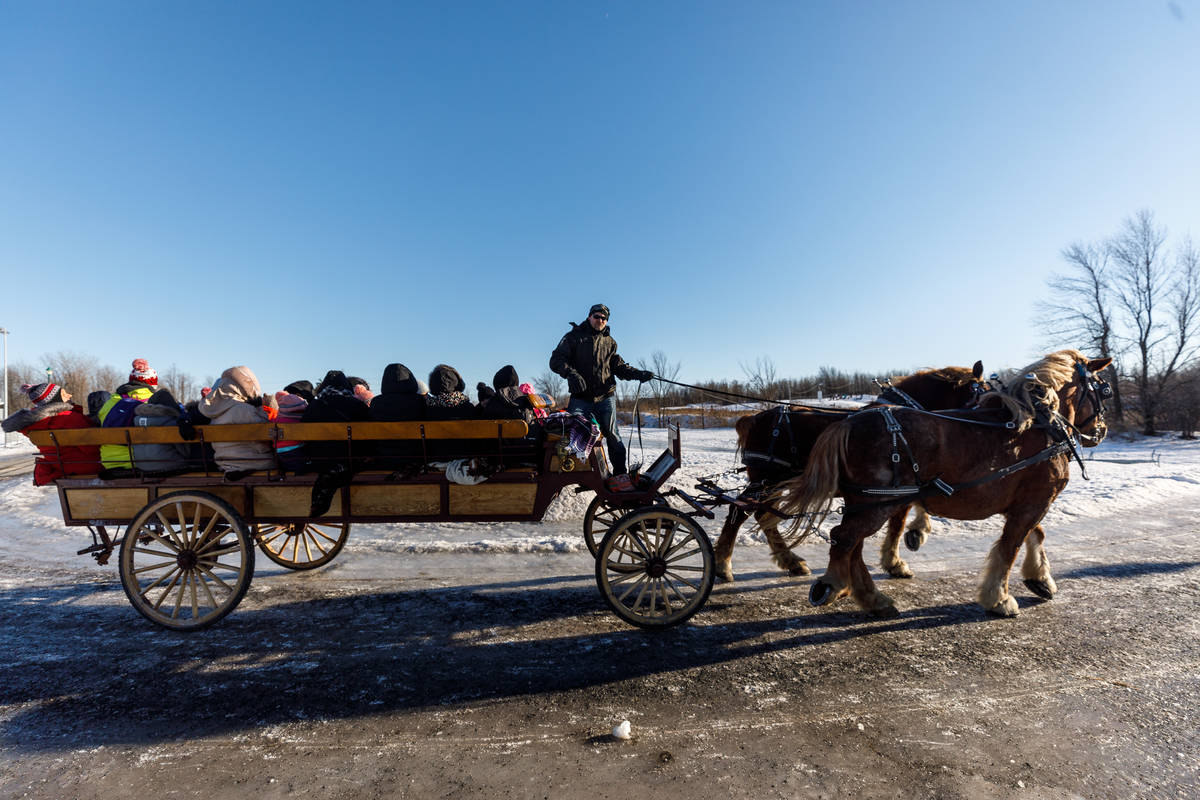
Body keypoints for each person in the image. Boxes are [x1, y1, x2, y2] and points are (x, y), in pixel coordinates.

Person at [549, 303, 652, 475]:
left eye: (604, 318)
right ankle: (578, 473)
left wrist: (639, 374)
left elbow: (619, 367)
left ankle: (620, 474)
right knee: (575, 433)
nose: (600, 320)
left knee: (612, 434)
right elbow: (556, 360)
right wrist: (571, 374)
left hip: (605, 397)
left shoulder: (610, 342)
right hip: (580, 398)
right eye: (597, 316)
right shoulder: (573, 337)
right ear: (589, 317)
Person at [2, 382, 100, 484]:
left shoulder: (34, 425)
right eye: (64, 393)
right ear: (56, 399)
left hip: (59, 467)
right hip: (88, 467)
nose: (69, 395)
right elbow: (93, 448)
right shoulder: (69, 418)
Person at [198, 366, 278, 473]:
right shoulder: (243, 410)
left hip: (226, 464)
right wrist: (271, 408)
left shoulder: (214, 412)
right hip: (255, 462)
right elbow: (268, 434)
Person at [96, 358, 160, 474]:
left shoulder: (110, 403)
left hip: (109, 461)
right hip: (143, 462)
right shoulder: (155, 403)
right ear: (153, 384)